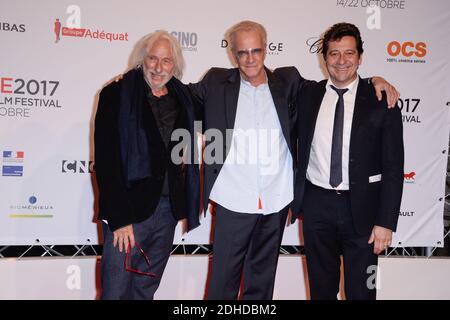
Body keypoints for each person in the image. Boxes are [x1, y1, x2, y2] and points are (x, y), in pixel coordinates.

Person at [189, 20, 398, 300]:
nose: (250, 58)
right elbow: (177, 96)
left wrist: (376, 79)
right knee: (222, 286)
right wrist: (138, 78)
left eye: (257, 50)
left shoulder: (290, 83)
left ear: (266, 50)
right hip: (237, 200)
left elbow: (393, 166)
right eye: (243, 52)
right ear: (233, 54)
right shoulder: (218, 82)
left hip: (278, 203)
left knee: (262, 287)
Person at [294, 22, 404, 300]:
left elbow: (393, 168)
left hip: (365, 210)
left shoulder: (381, 100)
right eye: (334, 54)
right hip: (317, 205)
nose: (341, 61)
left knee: (363, 292)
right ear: (324, 58)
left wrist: (386, 222)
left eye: (349, 53)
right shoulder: (307, 95)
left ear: (360, 57)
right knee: (320, 290)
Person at [94, 31, 199, 300]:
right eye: (152, 58)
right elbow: (106, 161)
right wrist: (119, 219)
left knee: (145, 290)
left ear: (175, 65)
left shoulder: (183, 97)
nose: (158, 67)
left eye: (166, 61)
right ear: (143, 59)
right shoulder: (116, 93)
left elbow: (223, 96)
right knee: (115, 291)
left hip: (167, 212)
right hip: (128, 212)